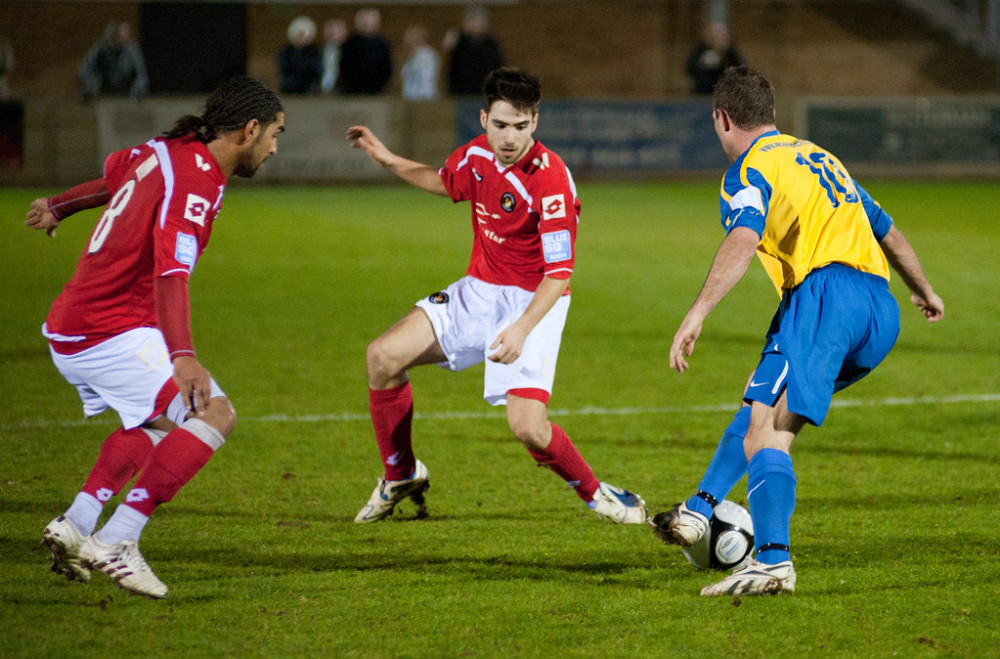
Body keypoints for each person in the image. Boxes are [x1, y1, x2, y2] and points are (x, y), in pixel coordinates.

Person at [651, 66, 944, 596]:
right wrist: (923, 290)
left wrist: (697, 313)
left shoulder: (748, 167)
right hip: (879, 309)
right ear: (773, 115)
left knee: (769, 431)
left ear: (721, 118)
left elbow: (743, 237)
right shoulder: (819, 155)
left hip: (825, 295)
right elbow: (890, 233)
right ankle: (699, 509)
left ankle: (772, 561)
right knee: (763, 405)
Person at [346, 67, 647, 525]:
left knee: (527, 426)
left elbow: (559, 273)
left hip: (535, 301)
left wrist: (522, 329)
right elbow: (445, 181)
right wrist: (388, 159)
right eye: (501, 125)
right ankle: (400, 473)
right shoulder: (475, 155)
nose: (510, 137)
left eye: (521, 126)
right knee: (382, 357)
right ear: (483, 118)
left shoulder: (551, 183)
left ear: (536, 122)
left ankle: (597, 493)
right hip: (478, 292)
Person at [29, 76, 285, 599]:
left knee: (157, 423)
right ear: (250, 129)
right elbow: (174, 273)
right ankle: (119, 538)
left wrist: (60, 204)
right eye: (274, 135)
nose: (275, 148)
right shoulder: (197, 182)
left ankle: (78, 521)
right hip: (108, 329)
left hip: (75, 325)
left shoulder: (168, 149)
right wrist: (183, 357)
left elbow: (114, 180)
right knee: (213, 414)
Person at [80, 21, 149, 101]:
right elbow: (85, 70)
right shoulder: (100, 49)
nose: (123, 39)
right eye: (120, 36)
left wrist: (138, 89)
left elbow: (141, 75)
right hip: (103, 95)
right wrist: (89, 86)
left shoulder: (132, 50)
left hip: (127, 96)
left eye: (125, 36)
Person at [444, 5, 504, 96]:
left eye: (480, 20)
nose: (476, 24)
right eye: (472, 20)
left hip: (486, 96)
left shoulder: (493, 45)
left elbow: (499, 71)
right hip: (461, 96)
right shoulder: (458, 42)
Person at [337, 7, 393, 95]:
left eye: (370, 21)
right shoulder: (349, 43)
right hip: (351, 91)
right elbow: (343, 65)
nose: (367, 24)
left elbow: (387, 67)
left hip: (376, 91)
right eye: (364, 21)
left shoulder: (383, 44)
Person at [685, 22, 743, 95]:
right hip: (702, 93)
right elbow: (689, 68)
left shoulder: (731, 52)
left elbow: (740, 70)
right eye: (712, 35)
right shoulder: (699, 50)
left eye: (719, 35)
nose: (715, 39)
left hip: (726, 92)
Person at [277, 16, 322, 95]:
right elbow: (284, 70)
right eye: (298, 35)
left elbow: (316, 71)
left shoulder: (314, 52)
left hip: (308, 91)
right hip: (289, 90)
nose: (300, 39)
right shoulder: (286, 52)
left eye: (303, 36)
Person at [400, 24, 440, 101]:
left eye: (409, 37)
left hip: (423, 101)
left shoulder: (427, 56)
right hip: (411, 100)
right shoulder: (412, 56)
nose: (405, 39)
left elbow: (426, 81)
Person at [320, 18, 348, 95]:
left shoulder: (349, 53)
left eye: (336, 31)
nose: (332, 34)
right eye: (330, 32)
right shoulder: (320, 52)